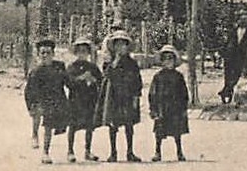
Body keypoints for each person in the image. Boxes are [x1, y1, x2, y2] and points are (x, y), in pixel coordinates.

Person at [98, 28, 143, 161]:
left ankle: (130, 152)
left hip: (128, 96)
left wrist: (136, 97)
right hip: (113, 97)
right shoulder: (109, 63)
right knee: (113, 125)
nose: (120, 47)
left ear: (127, 46)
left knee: (129, 124)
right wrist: (115, 60)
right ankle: (113, 152)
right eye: (117, 44)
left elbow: (137, 81)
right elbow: (107, 75)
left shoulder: (132, 63)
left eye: (123, 44)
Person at [23, 39, 70, 164]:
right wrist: (31, 106)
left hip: (57, 100)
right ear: (38, 55)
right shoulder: (36, 71)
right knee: (41, 120)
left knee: (53, 124)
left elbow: (68, 82)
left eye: (48, 53)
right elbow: (29, 91)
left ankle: (66, 151)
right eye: (42, 53)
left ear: (53, 54)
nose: (45, 56)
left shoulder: (59, 67)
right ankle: (42, 146)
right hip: (40, 99)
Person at [63, 37, 103, 162]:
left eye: (85, 51)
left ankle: (87, 150)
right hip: (76, 100)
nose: (82, 54)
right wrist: (81, 78)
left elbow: (101, 82)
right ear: (76, 52)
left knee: (89, 126)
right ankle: (70, 150)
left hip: (89, 99)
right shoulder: (72, 67)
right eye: (79, 51)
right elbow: (68, 83)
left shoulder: (93, 67)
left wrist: (93, 80)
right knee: (73, 126)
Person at [148, 43, 190, 161]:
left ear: (174, 60)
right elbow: (152, 93)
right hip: (162, 107)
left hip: (175, 107)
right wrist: (153, 109)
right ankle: (157, 152)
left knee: (177, 131)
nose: (168, 61)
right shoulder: (158, 76)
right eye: (165, 58)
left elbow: (184, 93)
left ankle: (179, 152)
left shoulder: (178, 76)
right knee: (159, 132)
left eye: (170, 58)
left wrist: (184, 108)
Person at [218, 16, 247, 104]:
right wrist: (223, 52)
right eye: (241, 20)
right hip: (230, 55)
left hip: (241, 55)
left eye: (245, 20)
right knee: (227, 75)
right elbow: (227, 41)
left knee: (236, 74)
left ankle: (226, 90)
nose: (242, 22)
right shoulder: (233, 29)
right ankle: (227, 91)